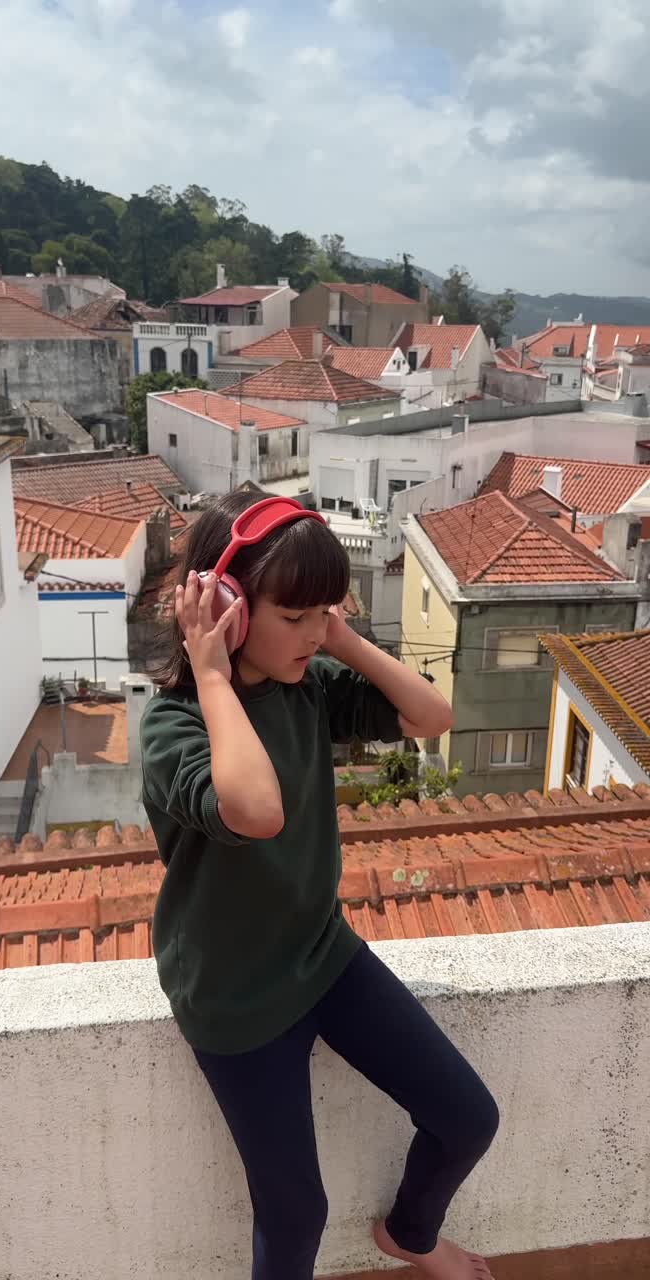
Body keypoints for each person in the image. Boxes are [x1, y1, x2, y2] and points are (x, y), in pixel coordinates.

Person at [141, 491, 500, 1280]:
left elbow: (432, 716)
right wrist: (210, 675)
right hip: (236, 999)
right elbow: (258, 810)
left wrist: (340, 637)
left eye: (323, 613)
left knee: (468, 1117)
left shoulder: (304, 688)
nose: (313, 632)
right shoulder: (174, 727)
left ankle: (410, 1235)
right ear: (226, 603)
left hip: (323, 958)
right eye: (294, 615)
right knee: (296, 1212)